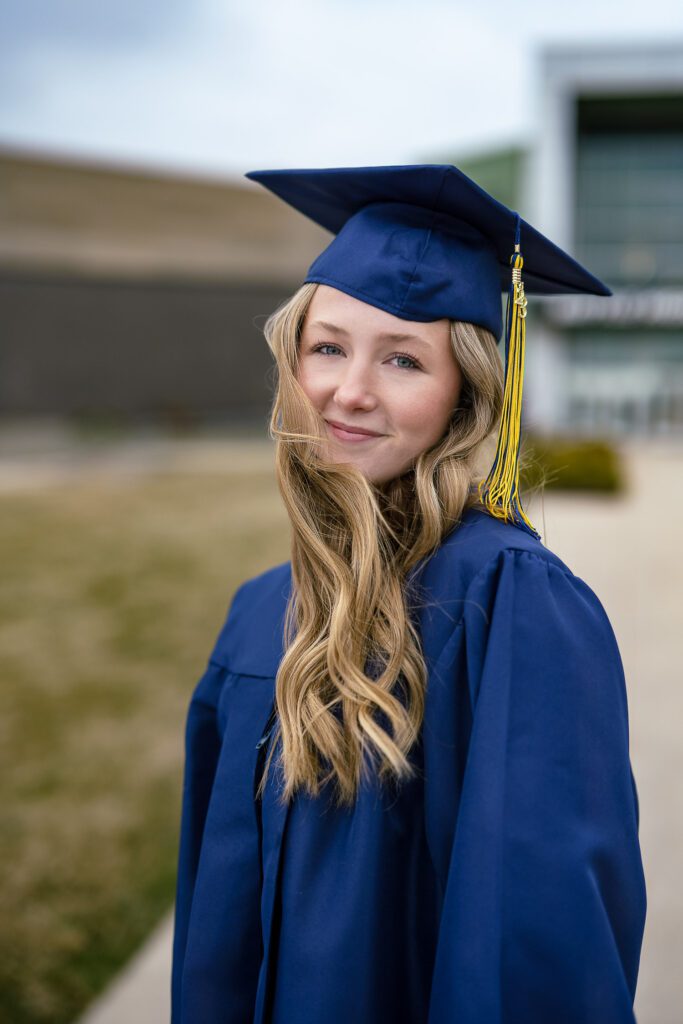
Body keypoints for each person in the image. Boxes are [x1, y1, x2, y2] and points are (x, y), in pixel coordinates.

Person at [170, 164, 646, 1024]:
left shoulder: (508, 600)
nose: (350, 391)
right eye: (327, 347)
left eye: (402, 359)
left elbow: (534, 942)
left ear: (464, 391)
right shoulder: (255, 614)